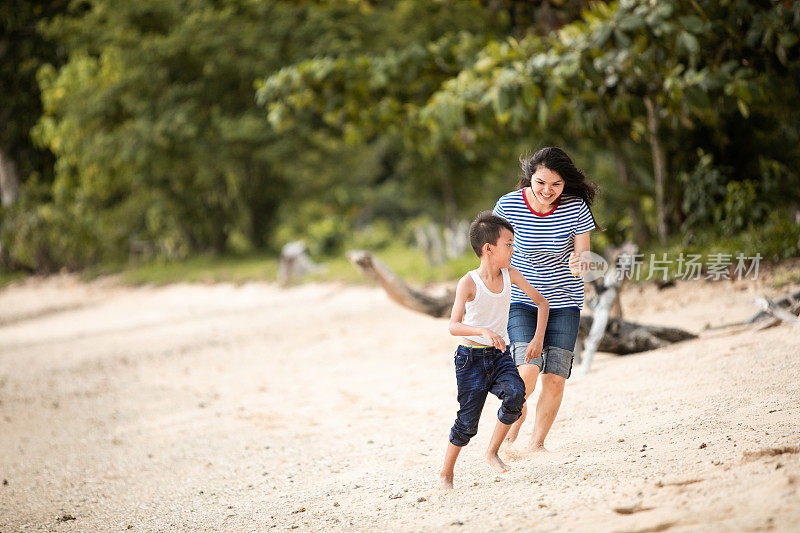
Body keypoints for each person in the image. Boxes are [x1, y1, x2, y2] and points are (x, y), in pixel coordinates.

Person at [492, 146, 599, 450]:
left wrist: (580, 262)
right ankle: (516, 412)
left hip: (565, 301)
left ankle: (536, 445)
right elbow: (495, 249)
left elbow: (584, 254)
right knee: (527, 369)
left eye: (556, 184)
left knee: (554, 377)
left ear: (565, 184)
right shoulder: (509, 205)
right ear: (530, 178)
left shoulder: (576, 208)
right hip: (523, 300)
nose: (547, 190)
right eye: (540, 182)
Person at [440, 211, 549, 489]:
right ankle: (446, 474)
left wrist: (537, 340)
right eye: (509, 244)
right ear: (488, 249)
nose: (514, 249)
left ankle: (492, 452)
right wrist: (482, 331)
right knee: (467, 423)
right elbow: (453, 326)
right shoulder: (468, 282)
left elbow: (542, 303)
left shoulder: (511, 274)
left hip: (499, 356)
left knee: (516, 395)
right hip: (470, 360)